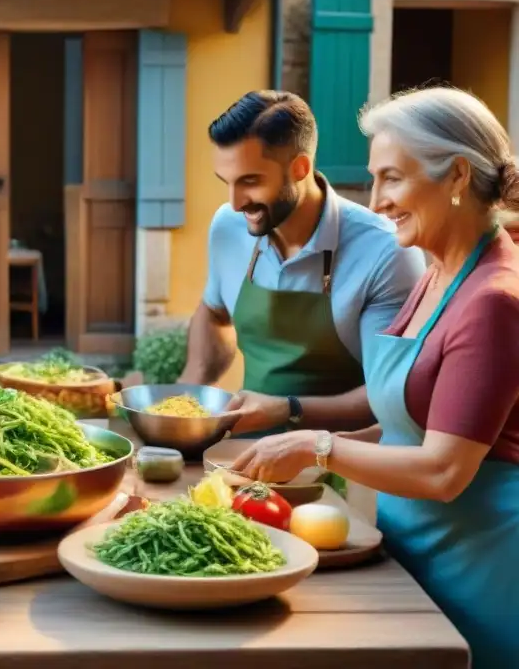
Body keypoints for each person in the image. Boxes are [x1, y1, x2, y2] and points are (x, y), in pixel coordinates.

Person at [231, 87, 519, 668]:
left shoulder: (493, 299)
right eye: (374, 178)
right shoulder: (437, 271)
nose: (378, 200)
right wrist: (293, 452)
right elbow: (404, 428)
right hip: (412, 551)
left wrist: (318, 444)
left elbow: (441, 469)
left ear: (458, 175)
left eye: (393, 178)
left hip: (480, 567)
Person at [178, 91, 426, 436]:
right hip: (240, 453)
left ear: (300, 168)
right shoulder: (228, 226)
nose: (234, 203)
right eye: (227, 183)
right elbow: (214, 312)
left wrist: (287, 410)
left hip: (337, 463)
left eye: (250, 181)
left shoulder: (385, 251)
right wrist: (187, 396)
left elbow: (389, 393)